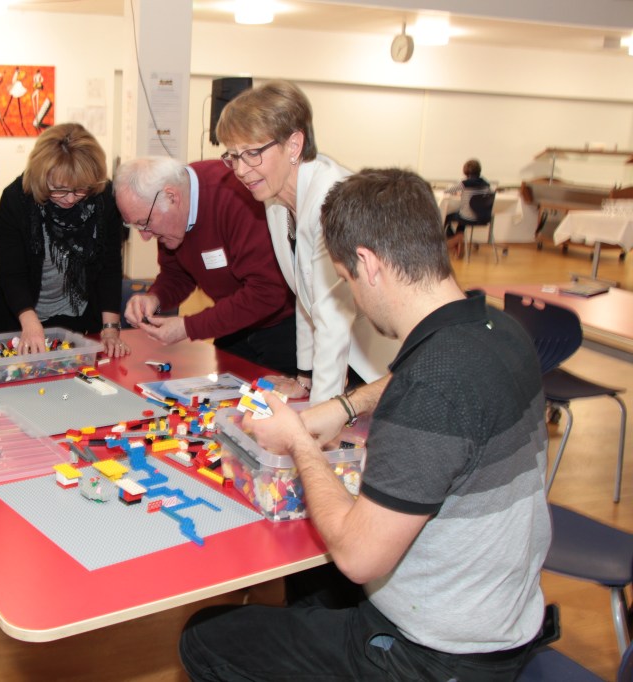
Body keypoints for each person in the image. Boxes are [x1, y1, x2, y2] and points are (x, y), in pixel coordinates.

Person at [179, 168, 552, 681]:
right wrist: (344, 407)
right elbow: (410, 378)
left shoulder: (430, 390)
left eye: (347, 277)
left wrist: (297, 444)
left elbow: (358, 558)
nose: (351, 294)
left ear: (369, 264)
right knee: (310, 589)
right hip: (505, 616)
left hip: (433, 656)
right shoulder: (496, 329)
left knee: (205, 636)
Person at [215, 80, 399, 404]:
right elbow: (306, 292)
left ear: (294, 145)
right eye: (233, 156)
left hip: (383, 360)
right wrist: (305, 377)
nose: (241, 170)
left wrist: (319, 415)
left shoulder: (331, 199)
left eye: (252, 153)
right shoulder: (274, 195)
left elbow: (333, 314)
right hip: (343, 354)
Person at [113, 156, 297, 375]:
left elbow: (267, 291)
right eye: (135, 225)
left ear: (172, 197)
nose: (144, 236)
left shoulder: (234, 195)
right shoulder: (169, 218)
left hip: (283, 328)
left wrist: (188, 327)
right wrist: (154, 298)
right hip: (232, 326)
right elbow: (176, 274)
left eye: (145, 223)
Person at [0, 122, 129, 358]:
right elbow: (12, 274)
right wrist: (30, 323)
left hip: (82, 320)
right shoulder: (17, 199)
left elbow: (110, 268)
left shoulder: (103, 198)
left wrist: (110, 329)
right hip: (23, 319)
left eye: (80, 189)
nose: (71, 199)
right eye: (59, 189)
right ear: (42, 177)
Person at [444, 158, 492, 257]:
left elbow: (448, 191)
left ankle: (454, 240)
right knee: (463, 218)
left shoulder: (465, 184)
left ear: (465, 171)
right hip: (481, 217)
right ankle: (458, 240)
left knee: (447, 216)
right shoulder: (486, 184)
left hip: (467, 217)